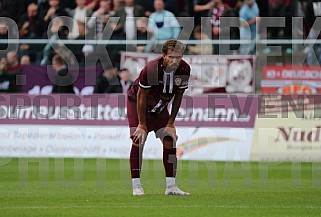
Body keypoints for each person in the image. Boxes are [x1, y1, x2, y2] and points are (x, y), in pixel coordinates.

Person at [127, 39, 190, 196]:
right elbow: (141, 97)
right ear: (164, 56)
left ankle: (171, 187)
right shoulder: (152, 68)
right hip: (138, 104)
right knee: (139, 139)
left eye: (178, 57)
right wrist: (142, 124)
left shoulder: (184, 69)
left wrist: (170, 123)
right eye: (171, 57)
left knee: (170, 139)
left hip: (160, 107)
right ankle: (136, 186)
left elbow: (178, 96)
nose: (175, 61)